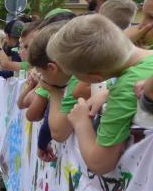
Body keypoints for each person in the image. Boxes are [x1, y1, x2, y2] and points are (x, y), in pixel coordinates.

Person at [48, 14, 153, 174]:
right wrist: (107, 92)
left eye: (73, 75)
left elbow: (100, 163)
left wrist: (81, 122)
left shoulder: (124, 90)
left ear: (95, 78)